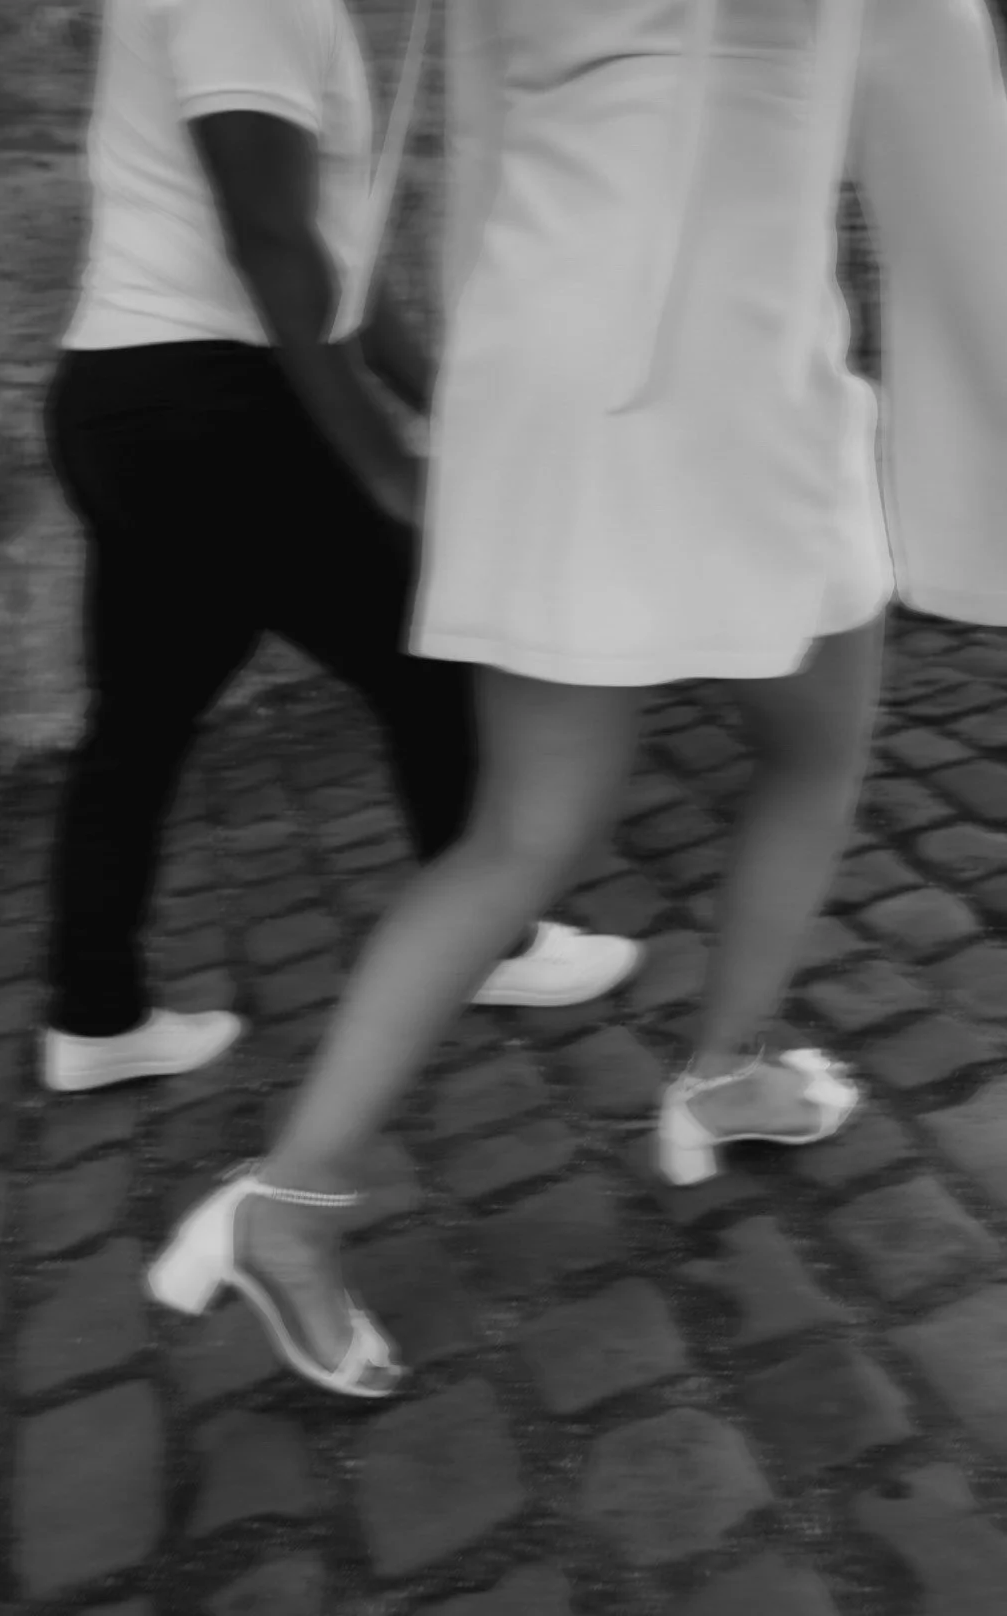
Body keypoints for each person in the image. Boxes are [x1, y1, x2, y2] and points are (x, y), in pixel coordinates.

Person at [147, 0, 1007, 1400]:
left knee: (519, 834)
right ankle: (721, 1069)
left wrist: (484, 409)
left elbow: (481, 152)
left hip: (544, 361)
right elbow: (957, 164)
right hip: (737, 367)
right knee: (817, 750)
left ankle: (287, 1199)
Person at [39, 0, 645, 1097]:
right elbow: (268, 237)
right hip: (210, 400)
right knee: (432, 653)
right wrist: (381, 464)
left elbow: (336, 270)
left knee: (139, 718)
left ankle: (95, 1013)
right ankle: (489, 945)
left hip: (123, 397)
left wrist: (454, 411)